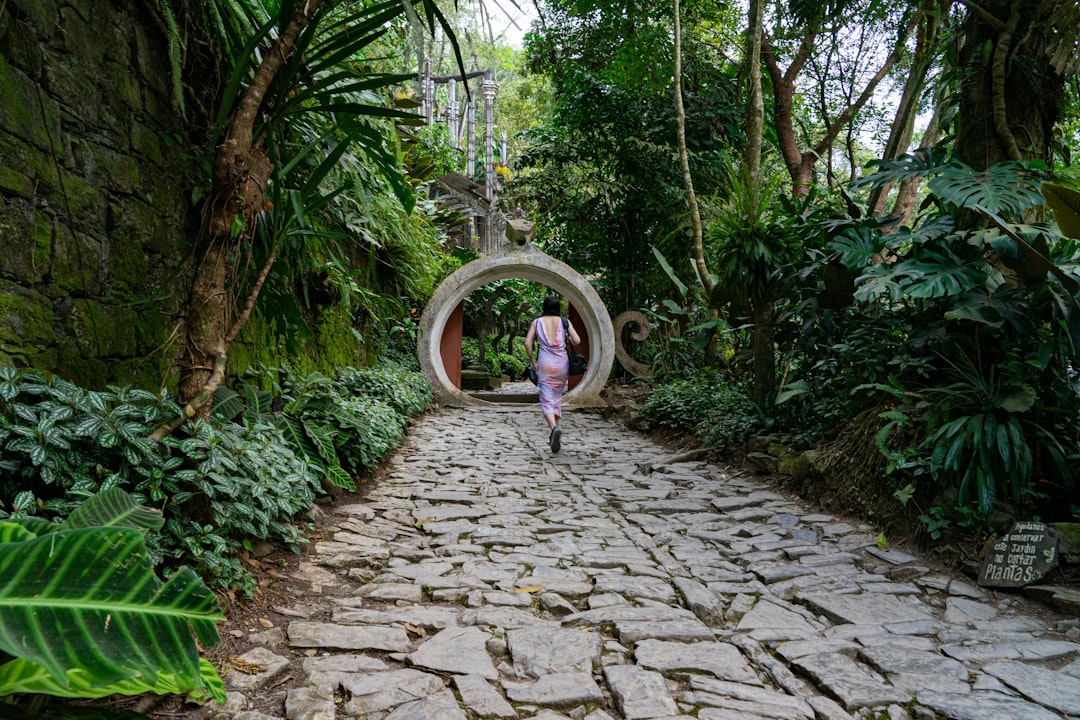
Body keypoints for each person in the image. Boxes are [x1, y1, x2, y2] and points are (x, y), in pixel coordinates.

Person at [524, 295, 582, 453]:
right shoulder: (564, 322)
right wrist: (567, 337)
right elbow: (577, 341)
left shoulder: (537, 322)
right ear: (557, 308)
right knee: (557, 398)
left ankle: (554, 428)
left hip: (545, 363)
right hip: (562, 364)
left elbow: (527, 343)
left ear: (544, 306)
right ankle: (556, 434)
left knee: (546, 399)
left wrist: (533, 361)